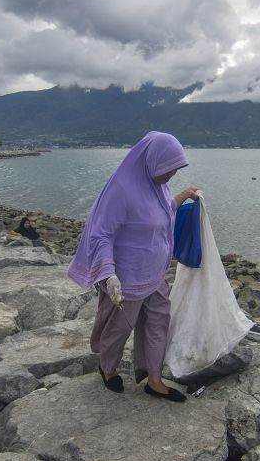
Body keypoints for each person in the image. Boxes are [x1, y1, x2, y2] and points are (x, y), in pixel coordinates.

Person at [68, 131, 198, 403]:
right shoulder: (122, 189)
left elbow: (160, 214)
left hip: (156, 273)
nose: (172, 174)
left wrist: (183, 196)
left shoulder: (158, 185)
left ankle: (153, 379)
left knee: (158, 322)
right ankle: (108, 368)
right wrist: (109, 274)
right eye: (169, 168)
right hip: (126, 278)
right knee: (119, 327)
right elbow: (101, 234)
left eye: (176, 168)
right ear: (152, 161)